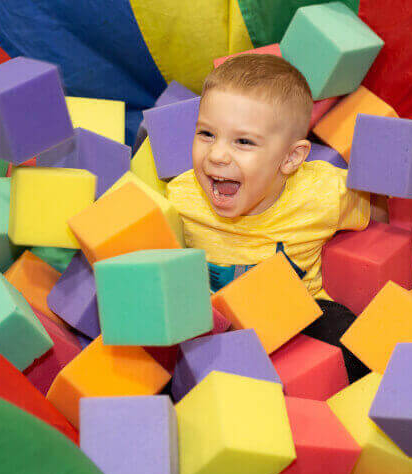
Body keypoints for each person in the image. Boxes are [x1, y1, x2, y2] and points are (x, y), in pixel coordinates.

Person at [165, 53, 386, 381]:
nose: (217, 154)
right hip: (218, 325)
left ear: (291, 158)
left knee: (354, 341)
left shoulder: (324, 193)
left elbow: (379, 211)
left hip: (302, 314)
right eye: (206, 134)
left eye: (243, 141)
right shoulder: (180, 198)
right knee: (171, 360)